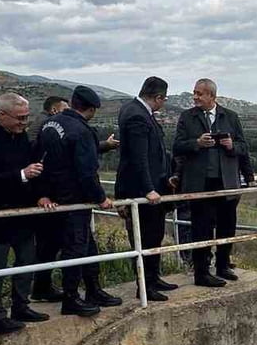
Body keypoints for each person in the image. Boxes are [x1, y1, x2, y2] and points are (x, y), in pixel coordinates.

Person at [0, 93, 51, 335]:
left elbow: (33, 166)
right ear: (1, 115)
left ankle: (21, 306)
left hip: (23, 213)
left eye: (26, 118)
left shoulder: (20, 135)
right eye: (20, 118)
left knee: (26, 262)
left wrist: (40, 194)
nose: (24, 123)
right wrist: (22, 174)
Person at [37, 86, 120, 316]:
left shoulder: (50, 124)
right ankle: (71, 298)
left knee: (86, 246)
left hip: (54, 198)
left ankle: (93, 289)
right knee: (75, 249)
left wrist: (43, 192)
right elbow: (86, 171)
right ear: (91, 109)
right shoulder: (82, 131)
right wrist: (101, 198)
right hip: (74, 199)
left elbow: (40, 160)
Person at [172, 78, 247, 286]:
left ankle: (223, 265)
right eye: (194, 93)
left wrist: (232, 145)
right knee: (201, 228)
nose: (194, 97)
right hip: (199, 184)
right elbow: (177, 146)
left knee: (227, 226)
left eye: (199, 93)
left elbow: (243, 147)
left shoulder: (230, 117)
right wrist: (196, 143)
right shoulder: (187, 118)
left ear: (212, 96)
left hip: (226, 183)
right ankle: (202, 273)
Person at [116, 77, 178, 301]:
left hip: (154, 186)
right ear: (159, 97)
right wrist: (148, 189)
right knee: (144, 238)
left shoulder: (136, 111)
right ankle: (145, 285)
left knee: (155, 236)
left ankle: (154, 278)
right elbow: (138, 157)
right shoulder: (136, 116)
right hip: (142, 190)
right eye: (163, 99)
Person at [29, 96, 69, 301]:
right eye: (65, 108)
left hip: (46, 195)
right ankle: (41, 287)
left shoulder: (42, 126)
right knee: (48, 244)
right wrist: (43, 193)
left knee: (48, 245)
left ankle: (42, 286)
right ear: (54, 110)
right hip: (47, 197)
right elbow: (41, 163)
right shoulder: (48, 128)